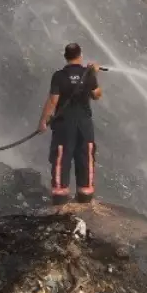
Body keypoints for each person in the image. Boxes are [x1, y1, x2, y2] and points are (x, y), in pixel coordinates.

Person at [37, 43, 102, 205]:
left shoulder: (59, 76)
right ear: (80, 56)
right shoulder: (88, 74)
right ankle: (85, 195)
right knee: (86, 156)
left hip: (64, 124)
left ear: (65, 57)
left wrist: (43, 121)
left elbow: (53, 101)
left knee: (61, 158)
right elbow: (97, 95)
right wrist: (94, 73)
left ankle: (60, 198)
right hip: (84, 124)